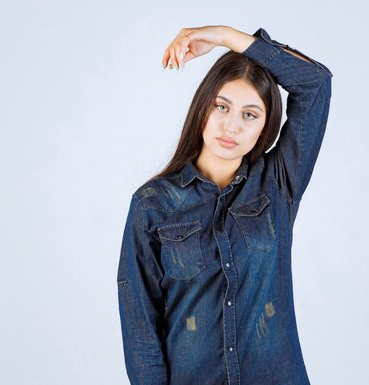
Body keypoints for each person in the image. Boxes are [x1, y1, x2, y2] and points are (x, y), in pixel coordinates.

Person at [116, 25, 333, 385]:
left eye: (250, 115)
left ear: (265, 126)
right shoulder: (152, 205)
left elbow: (316, 84)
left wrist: (223, 37)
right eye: (222, 106)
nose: (231, 126)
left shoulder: (277, 185)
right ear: (203, 107)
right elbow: (141, 327)